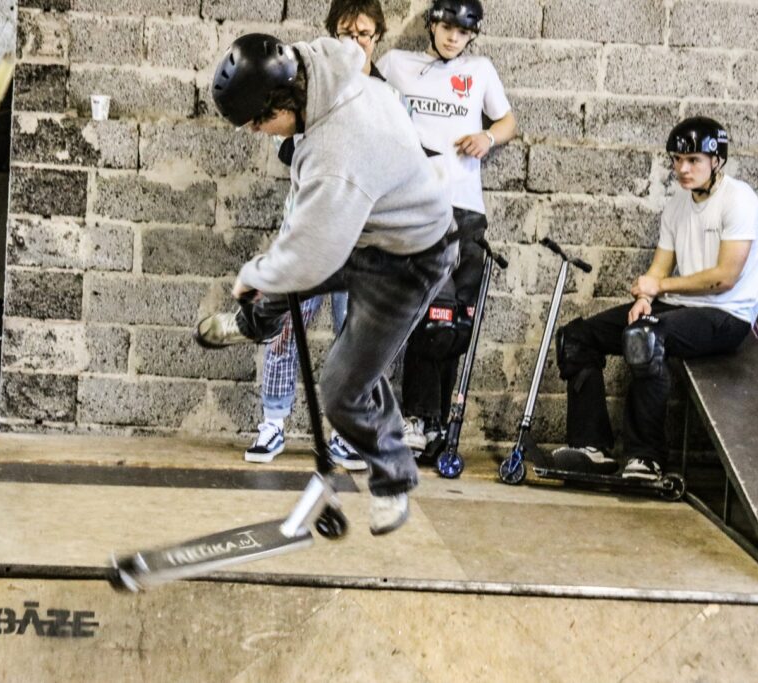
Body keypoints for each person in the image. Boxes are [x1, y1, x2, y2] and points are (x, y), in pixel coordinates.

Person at [197, 33, 458, 535]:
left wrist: (254, 275)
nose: (258, 133)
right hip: (367, 229)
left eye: (258, 123)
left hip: (410, 258)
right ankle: (253, 325)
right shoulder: (320, 72)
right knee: (276, 278)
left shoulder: (338, 149)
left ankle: (393, 479)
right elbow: (304, 237)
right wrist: (268, 275)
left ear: (282, 103)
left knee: (343, 386)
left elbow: (310, 257)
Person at [550, 117, 758, 481]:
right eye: (677, 160)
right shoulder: (678, 204)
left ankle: (645, 459)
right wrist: (645, 298)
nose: (683, 169)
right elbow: (659, 269)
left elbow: (724, 278)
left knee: (645, 338)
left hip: (727, 315)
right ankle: (591, 448)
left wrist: (659, 287)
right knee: (578, 337)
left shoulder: (739, 200)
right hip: (681, 307)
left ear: (717, 161)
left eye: (693, 160)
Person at [245, 0, 392, 471]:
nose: (356, 43)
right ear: (332, 36)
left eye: (364, 34)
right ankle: (273, 422)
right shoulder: (308, 89)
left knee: (357, 338)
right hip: (309, 232)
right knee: (285, 328)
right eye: (346, 34)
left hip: (362, 240)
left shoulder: (386, 96)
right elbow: (287, 147)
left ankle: (347, 435)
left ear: (377, 37)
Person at [375, 0, 518, 451]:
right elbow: (366, 105)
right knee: (432, 316)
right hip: (418, 208)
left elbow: (508, 121)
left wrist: (487, 137)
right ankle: (417, 418)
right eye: (447, 28)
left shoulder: (480, 71)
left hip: (467, 208)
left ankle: (437, 424)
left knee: (457, 322)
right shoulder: (396, 64)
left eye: (463, 32)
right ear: (432, 25)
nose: (454, 38)